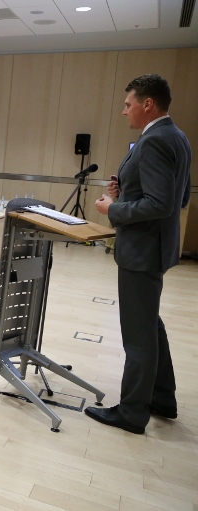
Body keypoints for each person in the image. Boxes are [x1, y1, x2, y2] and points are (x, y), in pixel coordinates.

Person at [88, 74, 191, 435]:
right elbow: (179, 197)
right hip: (156, 247)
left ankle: (132, 412)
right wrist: (125, 193)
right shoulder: (177, 137)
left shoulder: (154, 140)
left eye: (128, 104)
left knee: (138, 334)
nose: (124, 111)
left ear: (148, 104)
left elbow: (161, 204)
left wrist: (112, 209)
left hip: (142, 250)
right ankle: (162, 398)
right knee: (149, 324)